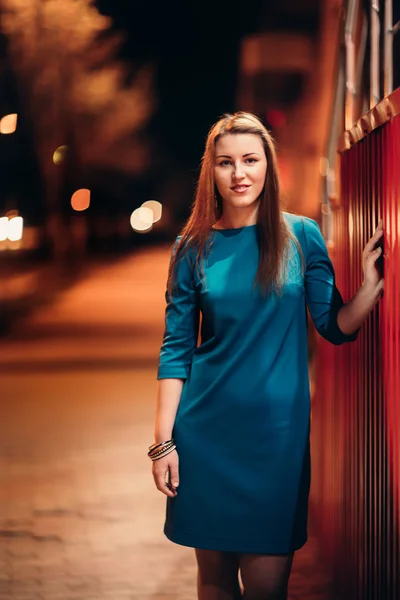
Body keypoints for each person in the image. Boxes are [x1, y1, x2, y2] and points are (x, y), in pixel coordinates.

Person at [150, 112, 384, 600]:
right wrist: (163, 444)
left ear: (267, 167)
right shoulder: (191, 248)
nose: (239, 173)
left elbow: (333, 327)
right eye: (226, 163)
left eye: (250, 160)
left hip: (276, 440)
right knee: (214, 582)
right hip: (205, 433)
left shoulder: (302, 236)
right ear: (210, 172)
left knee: (266, 587)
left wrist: (367, 290)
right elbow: (175, 350)